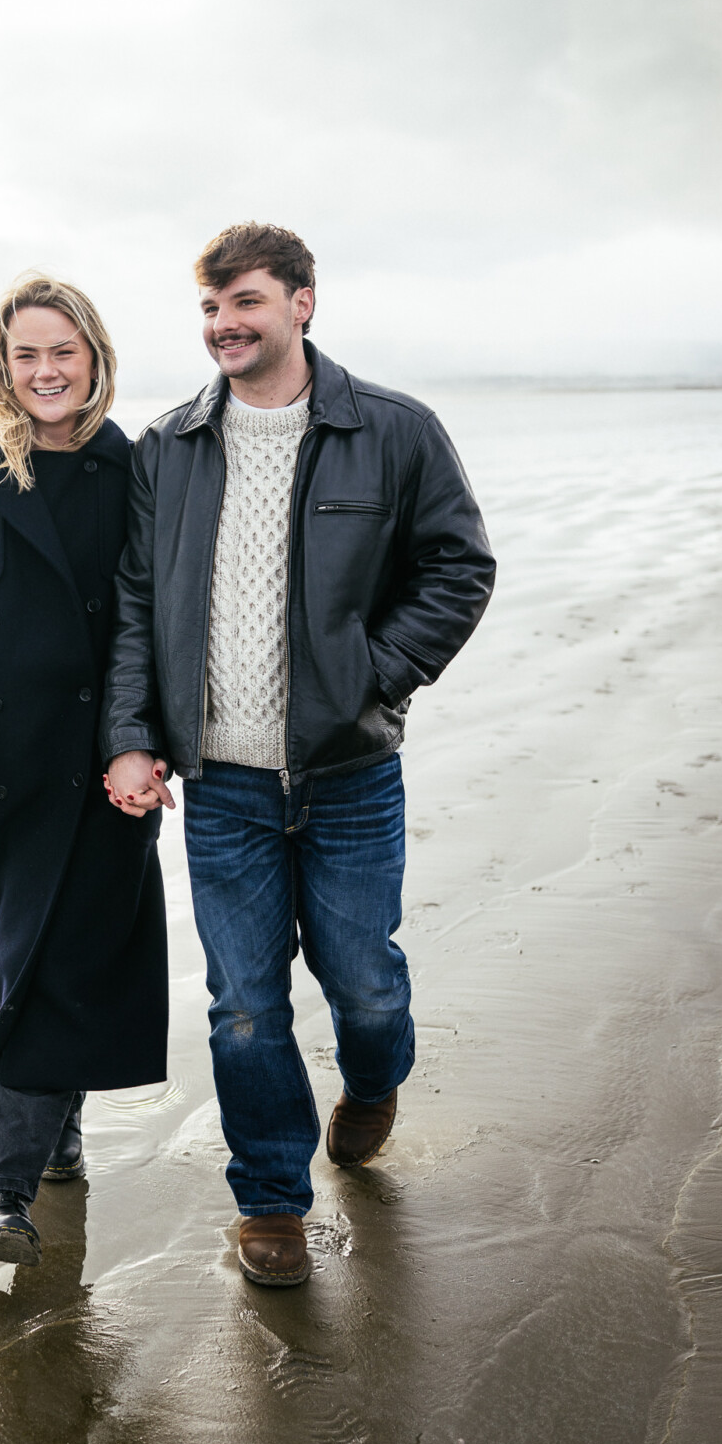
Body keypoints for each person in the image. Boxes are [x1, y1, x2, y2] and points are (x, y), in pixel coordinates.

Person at [102, 223, 494, 1288]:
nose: (224, 326)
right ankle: (272, 1201)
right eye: (210, 309)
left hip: (351, 775)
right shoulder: (168, 446)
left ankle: (371, 1087)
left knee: (365, 986)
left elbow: (457, 568)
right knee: (243, 1006)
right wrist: (133, 736)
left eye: (246, 303)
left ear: (302, 303)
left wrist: (374, 673)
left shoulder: (393, 431)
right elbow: (135, 606)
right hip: (219, 786)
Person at [0, 274, 167, 1268]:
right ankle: (57, 1140)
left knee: (60, 972)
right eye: (27, 354)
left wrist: (143, 745)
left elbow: (155, 622)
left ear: (94, 357)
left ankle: (3, 1194)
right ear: (3, 365)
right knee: (13, 968)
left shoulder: (133, 470)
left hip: (104, 772)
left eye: (64, 351)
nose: (46, 370)